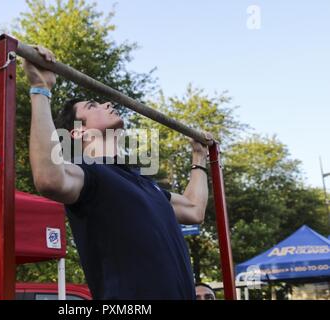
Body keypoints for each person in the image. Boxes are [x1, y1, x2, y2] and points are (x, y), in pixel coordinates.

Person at [23, 46, 212, 300]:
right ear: (79, 132)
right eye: (92, 106)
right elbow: (49, 178)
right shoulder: (89, 174)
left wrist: (198, 157)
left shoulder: (144, 183)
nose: (107, 104)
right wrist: (40, 90)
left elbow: (194, 209)